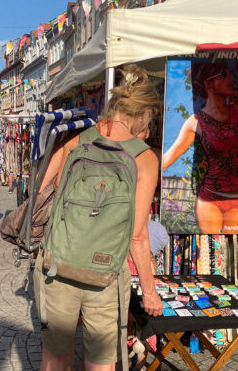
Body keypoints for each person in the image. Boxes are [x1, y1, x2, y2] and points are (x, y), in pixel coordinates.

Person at [33, 65, 162, 370]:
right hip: (104, 276)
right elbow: (137, 235)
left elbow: (40, 193)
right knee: (100, 360)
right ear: (143, 116)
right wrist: (150, 290)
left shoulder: (75, 140)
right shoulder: (145, 158)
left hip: (58, 266)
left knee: (54, 357)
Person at [162, 62, 238, 234]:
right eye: (223, 74)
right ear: (208, 84)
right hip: (211, 197)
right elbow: (167, 159)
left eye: (229, 74)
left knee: (229, 247)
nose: (229, 78)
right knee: (210, 251)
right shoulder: (195, 121)